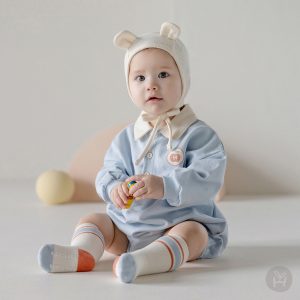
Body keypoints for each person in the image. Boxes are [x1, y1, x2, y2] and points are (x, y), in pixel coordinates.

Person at [38, 22, 228, 284]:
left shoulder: (198, 135)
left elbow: (209, 180)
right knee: (95, 219)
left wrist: (163, 185)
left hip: (179, 222)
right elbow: (109, 171)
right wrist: (114, 187)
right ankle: (82, 253)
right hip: (127, 230)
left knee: (193, 233)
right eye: (140, 78)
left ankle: (145, 262)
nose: (151, 85)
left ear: (183, 77)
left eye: (163, 74)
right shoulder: (127, 137)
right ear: (130, 86)